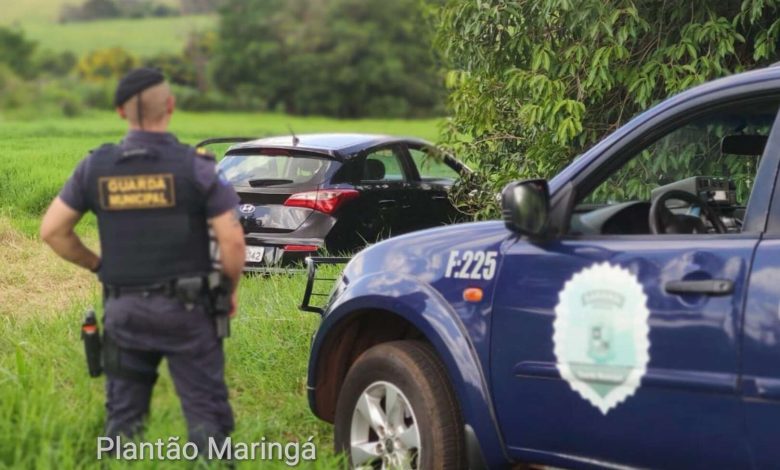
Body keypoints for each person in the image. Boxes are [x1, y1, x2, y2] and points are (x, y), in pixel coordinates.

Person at [39, 68, 246, 453]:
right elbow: (232, 239)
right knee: (207, 418)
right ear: (170, 105)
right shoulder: (195, 166)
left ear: (120, 112)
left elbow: (53, 231)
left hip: (125, 310)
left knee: (122, 424)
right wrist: (229, 289)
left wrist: (98, 266)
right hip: (191, 312)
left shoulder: (95, 167)